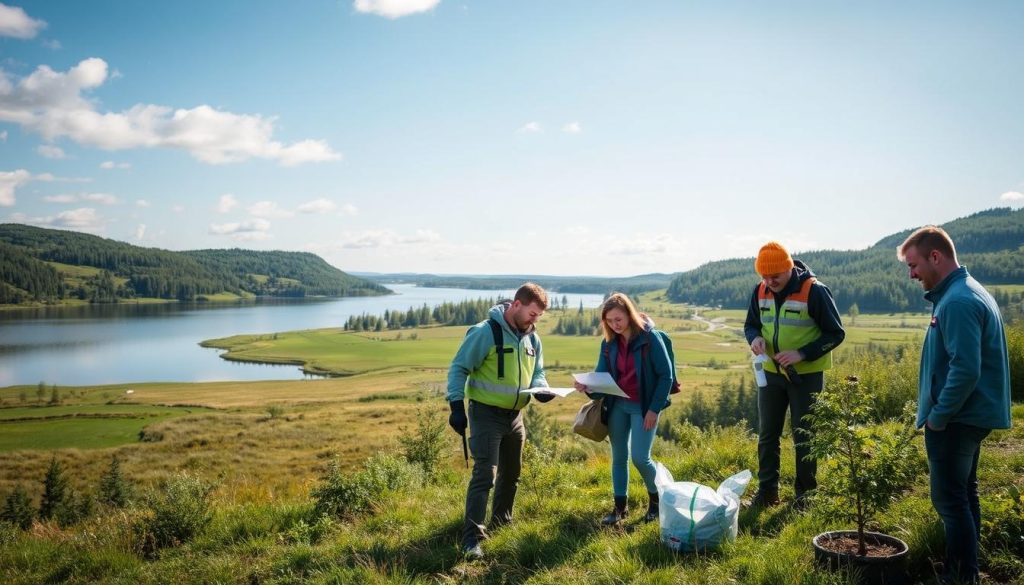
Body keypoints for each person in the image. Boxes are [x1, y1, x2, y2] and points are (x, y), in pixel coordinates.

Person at [898, 226, 1011, 583]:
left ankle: (960, 576)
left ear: (936, 256)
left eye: (914, 265)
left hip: (957, 418)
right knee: (964, 494)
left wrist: (938, 417)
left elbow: (965, 369)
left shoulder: (959, 301)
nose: (912, 274)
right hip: (967, 415)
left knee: (949, 501)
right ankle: (966, 570)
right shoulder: (963, 292)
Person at [446, 282, 554, 560]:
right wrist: (456, 406)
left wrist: (541, 388)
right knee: (485, 475)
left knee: (512, 474)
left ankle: (501, 522)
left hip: (516, 417)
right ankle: (472, 540)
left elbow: (537, 370)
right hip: (486, 415)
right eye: (532, 313)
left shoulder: (533, 338)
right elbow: (459, 367)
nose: (535, 320)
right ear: (516, 305)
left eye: (538, 316)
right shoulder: (486, 332)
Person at [744, 241, 845, 509]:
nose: (769, 281)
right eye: (764, 276)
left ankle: (805, 496)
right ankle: (767, 492)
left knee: (805, 435)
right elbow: (751, 324)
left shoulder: (815, 291)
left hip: (806, 377)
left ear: (788, 268)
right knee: (767, 435)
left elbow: (836, 334)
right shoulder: (760, 290)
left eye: (774, 275)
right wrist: (754, 339)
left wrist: (802, 353)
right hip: (770, 375)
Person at [574, 292, 673, 525]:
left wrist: (653, 410)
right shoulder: (608, 343)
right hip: (617, 405)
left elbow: (665, 377)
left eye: (618, 319)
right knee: (619, 457)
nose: (614, 325)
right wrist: (586, 386)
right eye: (609, 321)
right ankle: (620, 509)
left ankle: (657, 502)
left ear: (629, 314)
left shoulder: (651, 339)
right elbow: (601, 378)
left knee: (640, 457)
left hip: (644, 407)